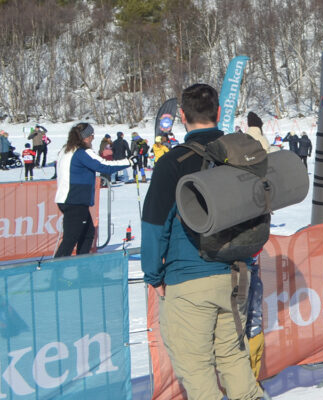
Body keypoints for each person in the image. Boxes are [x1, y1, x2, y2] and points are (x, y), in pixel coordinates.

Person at [142, 83, 265, 400]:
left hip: (189, 278)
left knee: (196, 371)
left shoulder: (173, 163)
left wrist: (154, 276)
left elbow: (155, 225)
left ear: (181, 115)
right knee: (234, 361)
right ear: (219, 113)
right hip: (237, 273)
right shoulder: (241, 156)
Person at [54, 123, 131, 257]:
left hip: (69, 199)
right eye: (92, 135)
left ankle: (82, 267)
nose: (93, 138)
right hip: (75, 200)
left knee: (87, 234)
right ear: (86, 137)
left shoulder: (66, 149)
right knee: (71, 239)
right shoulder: (82, 152)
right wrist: (128, 162)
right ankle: (56, 272)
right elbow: (104, 165)